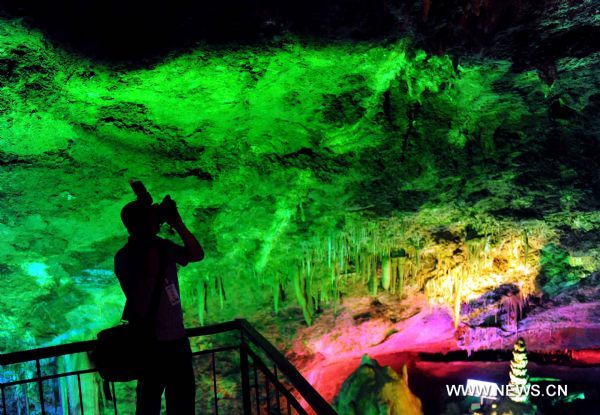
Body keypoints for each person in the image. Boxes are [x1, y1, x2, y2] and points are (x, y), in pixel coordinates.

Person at [114, 181, 204, 415]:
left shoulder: (161, 247)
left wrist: (177, 223)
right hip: (151, 344)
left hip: (175, 341)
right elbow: (140, 299)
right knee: (149, 406)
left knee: (176, 406)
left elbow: (196, 254)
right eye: (153, 219)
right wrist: (152, 269)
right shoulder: (126, 257)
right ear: (143, 224)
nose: (158, 222)